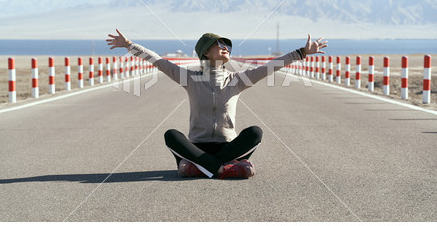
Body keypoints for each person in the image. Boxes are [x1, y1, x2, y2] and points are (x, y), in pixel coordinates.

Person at [107, 30, 327, 179]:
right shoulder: (190, 78)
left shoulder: (237, 80)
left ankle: (201, 168)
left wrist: (302, 53)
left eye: (227, 46)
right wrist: (129, 45)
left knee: (255, 132)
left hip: (228, 148)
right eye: (219, 44)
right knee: (171, 135)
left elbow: (271, 67)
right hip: (197, 147)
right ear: (205, 51)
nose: (225, 47)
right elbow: (159, 61)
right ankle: (224, 169)